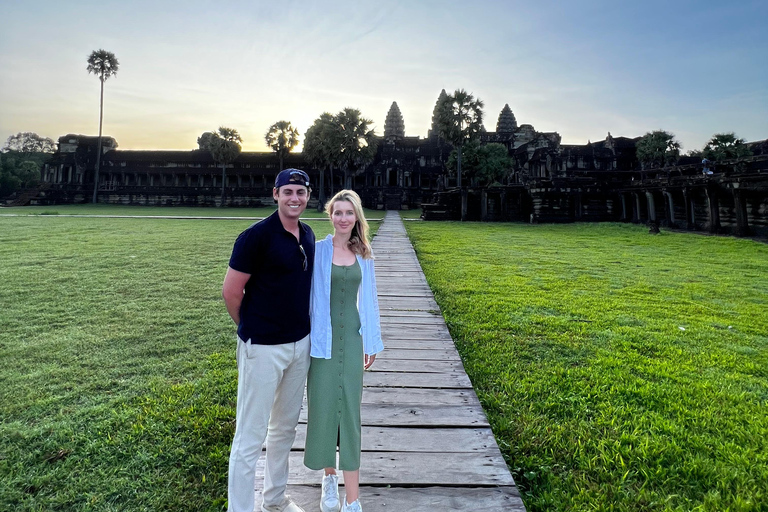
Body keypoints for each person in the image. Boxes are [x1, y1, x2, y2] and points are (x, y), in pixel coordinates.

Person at [222, 168, 315, 512]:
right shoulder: (255, 237)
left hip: (299, 345)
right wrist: (255, 330)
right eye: (288, 191)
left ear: (308, 197)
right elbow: (231, 292)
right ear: (275, 194)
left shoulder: (306, 234)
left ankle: (274, 499)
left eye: (301, 193)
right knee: (250, 435)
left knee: (284, 429)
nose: (295, 198)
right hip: (261, 347)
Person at [304, 190, 384, 512]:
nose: (343, 218)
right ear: (330, 215)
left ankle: (353, 501)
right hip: (322, 341)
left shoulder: (364, 252)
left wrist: (372, 341)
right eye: (337, 212)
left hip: (352, 340)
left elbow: (371, 299)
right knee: (323, 409)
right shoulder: (318, 250)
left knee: (350, 415)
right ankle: (328, 479)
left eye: (348, 213)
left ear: (356, 217)